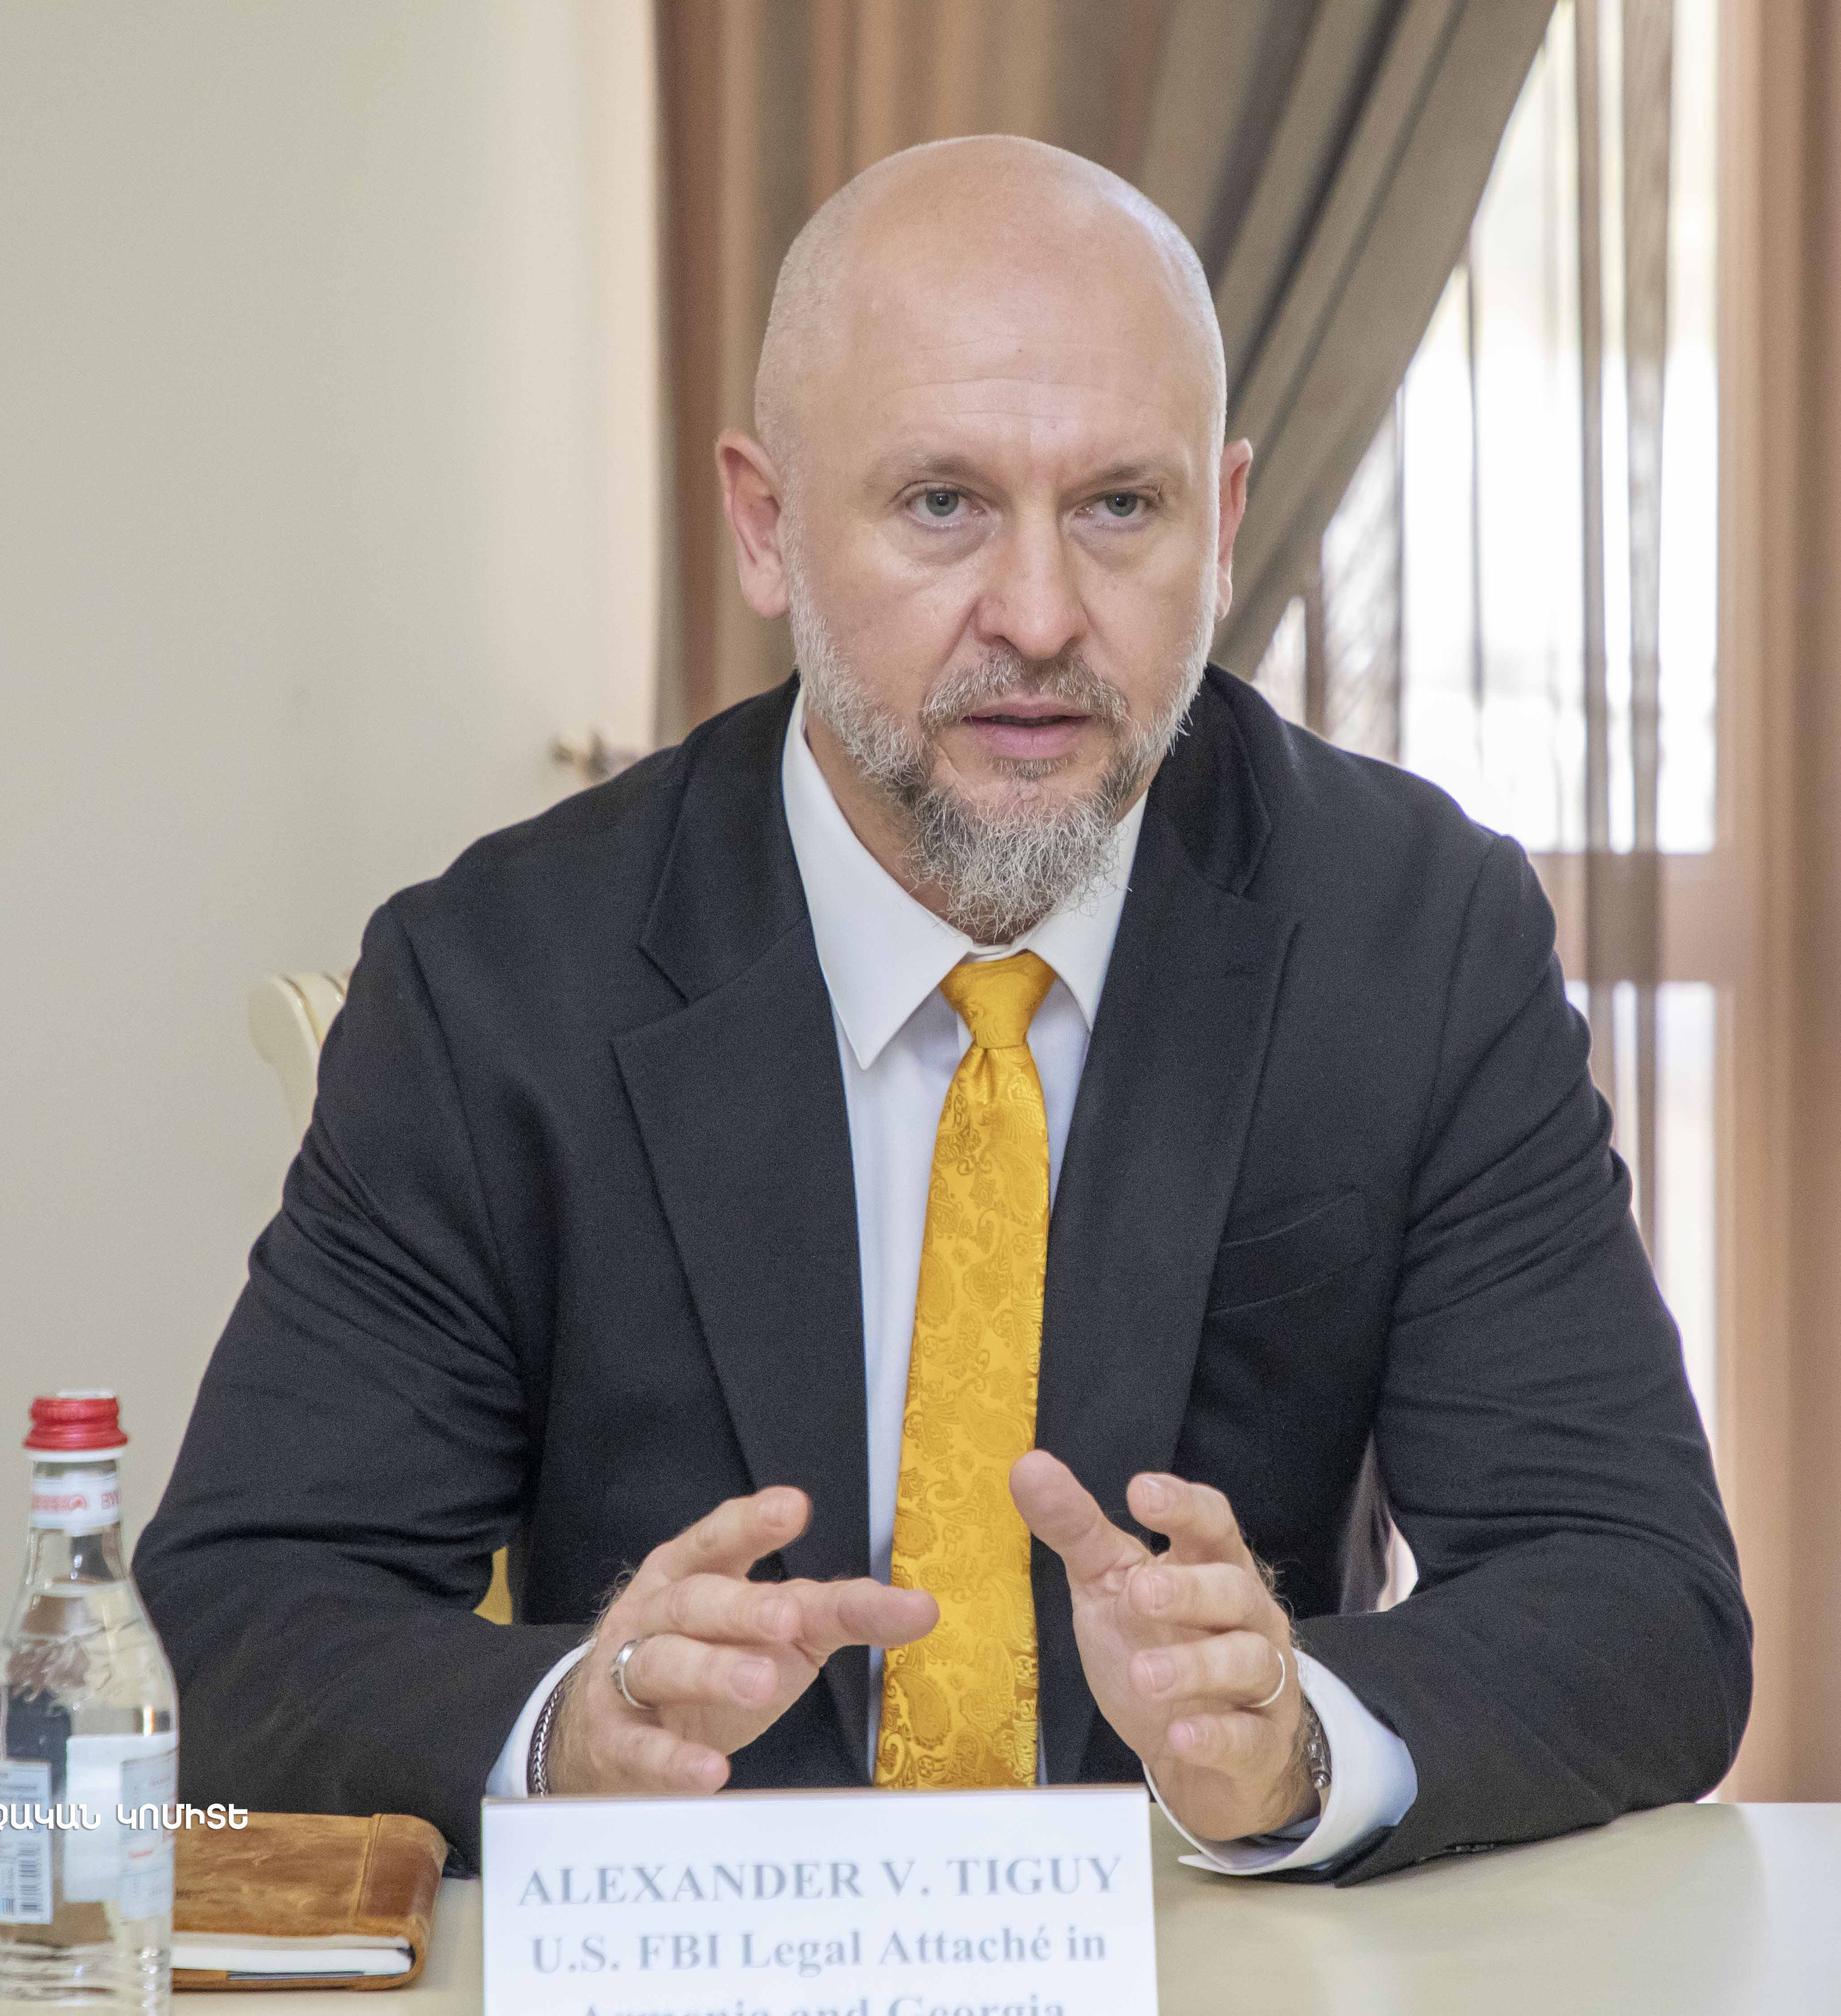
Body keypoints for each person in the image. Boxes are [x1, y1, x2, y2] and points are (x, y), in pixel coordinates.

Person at [139, 134, 1748, 1884]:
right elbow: (242, 1622)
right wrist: (568, 1735)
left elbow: (1640, 1595)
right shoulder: (500, 981)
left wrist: (1297, 1739)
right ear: (766, 526)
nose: (1040, 618)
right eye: (941, 505)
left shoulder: (1413, 938)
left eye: (1119, 508)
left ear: (1222, 527)